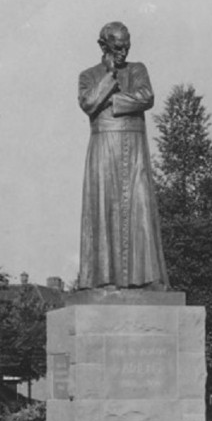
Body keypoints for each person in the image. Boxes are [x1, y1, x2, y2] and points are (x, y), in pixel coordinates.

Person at [77, 21, 169, 290]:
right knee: (104, 207)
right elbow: (89, 103)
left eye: (127, 46)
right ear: (103, 45)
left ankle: (147, 279)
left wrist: (114, 102)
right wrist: (110, 77)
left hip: (134, 144)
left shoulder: (138, 69)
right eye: (117, 47)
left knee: (139, 206)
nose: (123, 52)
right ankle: (103, 278)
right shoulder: (88, 75)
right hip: (103, 145)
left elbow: (146, 97)